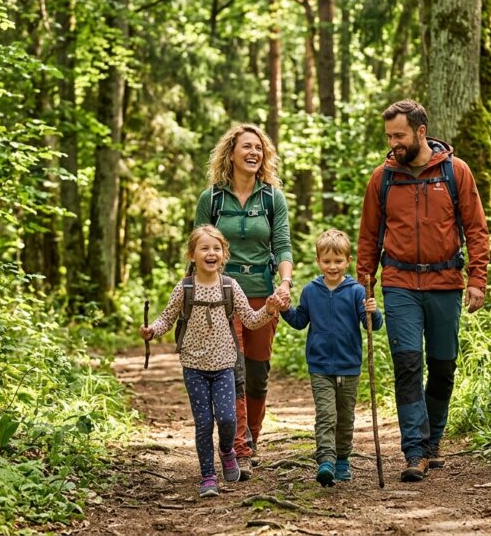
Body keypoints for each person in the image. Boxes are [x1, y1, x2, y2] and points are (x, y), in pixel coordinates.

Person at [356, 100, 490, 483]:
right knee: (408, 364)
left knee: (444, 365)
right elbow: (368, 237)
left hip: (445, 282)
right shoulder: (382, 178)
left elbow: (476, 229)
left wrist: (477, 279)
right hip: (399, 285)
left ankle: (434, 442)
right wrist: (364, 283)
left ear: (419, 131)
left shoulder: (455, 172)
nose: (393, 143)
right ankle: (414, 450)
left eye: (399, 135)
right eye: (388, 136)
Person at [140, 225, 283, 498]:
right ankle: (208, 476)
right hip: (193, 366)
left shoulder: (230, 286)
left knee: (228, 419)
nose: (211, 253)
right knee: (204, 422)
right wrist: (152, 331)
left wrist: (269, 309)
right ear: (192, 255)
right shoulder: (185, 288)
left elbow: (252, 320)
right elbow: (167, 318)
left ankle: (227, 451)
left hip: (224, 365)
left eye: (216, 248)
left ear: (224, 254)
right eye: (204, 248)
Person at [195, 123, 293, 476]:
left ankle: (251, 435)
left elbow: (282, 244)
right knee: (232, 369)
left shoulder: (271, 198)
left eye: (259, 148)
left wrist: (284, 283)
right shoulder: (212, 199)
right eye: (246, 147)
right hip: (220, 295)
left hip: (262, 293)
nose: (254, 153)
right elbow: (197, 246)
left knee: (256, 370)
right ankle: (238, 447)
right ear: (231, 154)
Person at [280, 229, 382, 486]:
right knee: (326, 415)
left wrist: (374, 311)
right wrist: (284, 310)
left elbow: (373, 326)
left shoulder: (357, 291)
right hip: (320, 365)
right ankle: (325, 460)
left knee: (345, 417)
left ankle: (343, 460)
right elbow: (300, 320)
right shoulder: (311, 291)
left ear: (347, 261)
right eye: (327, 261)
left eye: (338, 261)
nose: (332, 266)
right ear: (318, 262)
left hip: (349, 365)